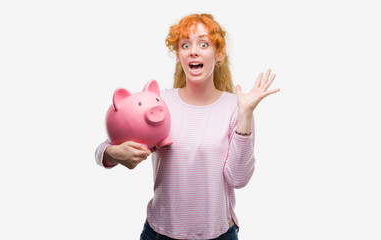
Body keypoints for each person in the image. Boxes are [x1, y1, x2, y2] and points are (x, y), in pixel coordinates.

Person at [95, 13, 280, 240]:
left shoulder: (237, 107)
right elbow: (103, 150)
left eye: (204, 44)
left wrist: (245, 115)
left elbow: (238, 179)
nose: (194, 51)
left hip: (219, 235)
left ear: (219, 54)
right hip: (160, 234)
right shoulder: (159, 103)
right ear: (178, 56)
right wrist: (114, 153)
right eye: (185, 45)